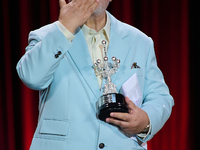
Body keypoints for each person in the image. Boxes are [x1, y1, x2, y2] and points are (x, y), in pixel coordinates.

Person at [16, 0, 174, 150]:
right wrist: (64, 29)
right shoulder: (46, 36)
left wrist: (145, 121)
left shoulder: (140, 41)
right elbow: (31, 77)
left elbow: (160, 97)